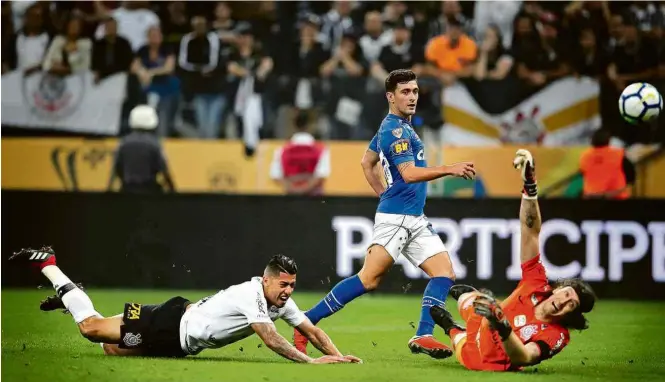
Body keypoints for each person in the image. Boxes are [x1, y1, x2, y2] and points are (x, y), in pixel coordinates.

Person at [294, 69, 476, 359]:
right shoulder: (395, 130)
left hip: (412, 216)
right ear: (390, 97)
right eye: (405, 92)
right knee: (368, 279)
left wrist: (384, 193)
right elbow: (409, 173)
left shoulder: (396, 126)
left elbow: (367, 162)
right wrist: (449, 168)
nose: (412, 97)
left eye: (415, 91)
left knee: (444, 273)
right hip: (398, 218)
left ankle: (424, 334)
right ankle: (306, 322)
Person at [9, 248, 361, 365]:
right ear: (266, 279)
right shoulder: (251, 294)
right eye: (283, 284)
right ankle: (49, 263)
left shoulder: (279, 301)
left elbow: (310, 330)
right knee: (90, 330)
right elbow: (271, 339)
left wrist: (339, 355)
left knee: (111, 350)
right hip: (166, 320)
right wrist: (312, 362)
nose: (288, 291)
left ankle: (71, 299)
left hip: (178, 343)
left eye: (292, 286)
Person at [429, 148, 597, 371]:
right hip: (485, 319)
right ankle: (470, 298)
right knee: (469, 301)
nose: (564, 302)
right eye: (567, 295)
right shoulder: (537, 284)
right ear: (559, 289)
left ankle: (449, 326)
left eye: (571, 305)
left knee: (458, 339)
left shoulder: (557, 335)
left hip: (482, 360)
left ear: (572, 314)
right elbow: (530, 231)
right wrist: (530, 189)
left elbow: (525, 357)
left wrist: (503, 326)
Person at [107, 105, 175, 193]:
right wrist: (173, 190)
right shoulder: (154, 144)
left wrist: (108, 191)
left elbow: (116, 169)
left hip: (127, 190)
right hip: (150, 191)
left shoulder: (123, 143)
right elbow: (164, 170)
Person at [579, 129, 635, 199]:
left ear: (592, 140)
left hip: (592, 198)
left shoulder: (585, 156)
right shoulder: (618, 155)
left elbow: (583, 172)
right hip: (616, 197)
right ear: (608, 140)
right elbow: (631, 174)